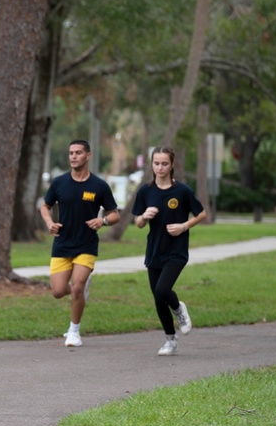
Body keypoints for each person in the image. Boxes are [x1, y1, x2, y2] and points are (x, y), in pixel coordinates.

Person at [40, 139, 119, 348]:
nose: (73, 156)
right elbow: (44, 206)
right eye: (70, 153)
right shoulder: (59, 183)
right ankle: (81, 288)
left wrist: (102, 220)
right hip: (62, 244)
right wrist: (49, 223)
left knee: (76, 287)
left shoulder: (99, 186)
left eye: (78, 153)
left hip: (86, 245)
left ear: (88, 156)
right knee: (57, 291)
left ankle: (74, 331)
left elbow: (114, 215)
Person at [131, 146, 207, 356]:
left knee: (163, 290)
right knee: (157, 298)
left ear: (172, 165)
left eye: (164, 163)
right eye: (156, 163)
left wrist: (184, 226)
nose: (160, 167)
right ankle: (170, 340)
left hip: (176, 250)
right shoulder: (146, 191)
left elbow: (201, 213)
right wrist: (144, 216)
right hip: (155, 250)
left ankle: (179, 309)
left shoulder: (181, 191)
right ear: (152, 165)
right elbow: (137, 222)